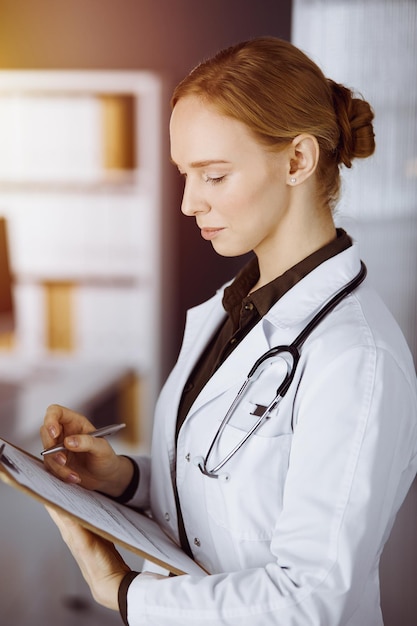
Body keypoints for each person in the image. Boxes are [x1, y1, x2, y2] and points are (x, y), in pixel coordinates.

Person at [40, 37, 417, 625]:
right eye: (185, 175)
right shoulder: (232, 311)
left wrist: (122, 590)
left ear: (297, 161)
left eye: (213, 176)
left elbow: (314, 600)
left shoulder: (354, 359)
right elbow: (229, 491)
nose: (189, 203)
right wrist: (126, 479)